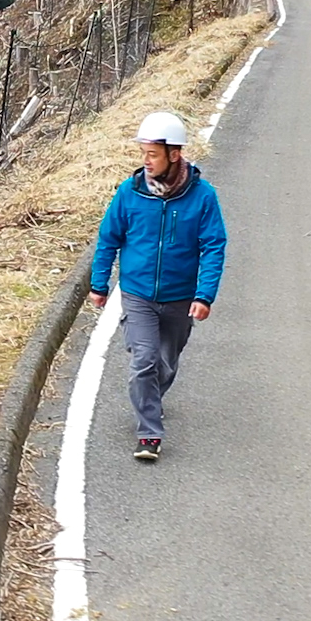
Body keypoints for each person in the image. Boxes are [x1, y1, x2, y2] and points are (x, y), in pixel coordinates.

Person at [89, 111, 227, 461]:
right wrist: (99, 283)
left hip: (181, 297)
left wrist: (204, 295)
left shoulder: (203, 197)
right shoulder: (129, 192)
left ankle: (150, 398)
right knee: (144, 361)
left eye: (152, 154)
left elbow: (214, 246)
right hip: (137, 295)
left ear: (174, 154)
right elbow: (108, 239)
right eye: (144, 153)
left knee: (166, 362)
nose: (146, 161)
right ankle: (149, 434)